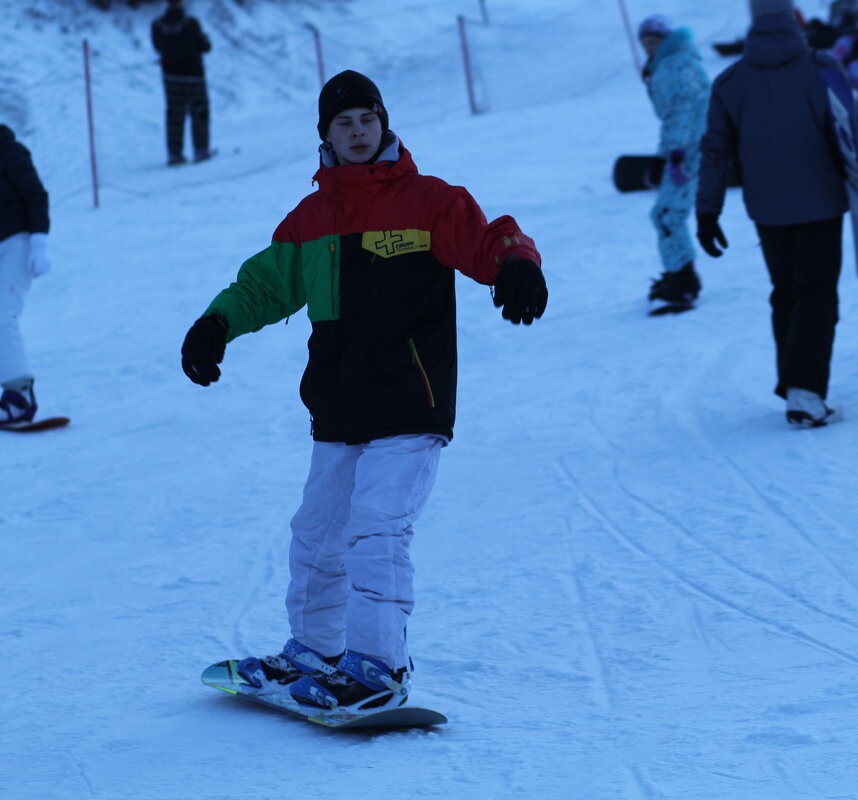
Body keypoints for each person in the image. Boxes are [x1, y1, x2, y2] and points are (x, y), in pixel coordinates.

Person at [180, 70, 548, 714]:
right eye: (343, 123)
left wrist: (517, 261)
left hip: (410, 398)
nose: (356, 132)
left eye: (366, 120)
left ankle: (380, 665)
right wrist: (216, 324)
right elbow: (264, 286)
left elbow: (490, 239)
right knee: (318, 533)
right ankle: (318, 650)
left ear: (384, 125)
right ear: (324, 133)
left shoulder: (431, 201)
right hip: (339, 405)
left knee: (377, 530)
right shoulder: (314, 216)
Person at [696, 0, 850, 427]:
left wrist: (707, 213)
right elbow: (850, 138)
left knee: (786, 293)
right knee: (816, 294)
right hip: (821, 203)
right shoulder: (822, 68)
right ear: (792, 19)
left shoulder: (731, 82)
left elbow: (714, 152)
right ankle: (804, 392)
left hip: (767, 210)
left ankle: (797, 388)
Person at [638, 15, 711, 315]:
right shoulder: (673, 63)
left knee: (668, 214)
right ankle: (679, 272)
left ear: (666, 40)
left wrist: (671, 155)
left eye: (654, 42)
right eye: (645, 43)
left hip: (688, 151)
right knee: (667, 213)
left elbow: (682, 111)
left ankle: (683, 279)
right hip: (689, 147)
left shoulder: (674, 65)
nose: (649, 48)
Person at [0, 125, 51, 430]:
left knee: (2, 315)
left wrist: (39, 242)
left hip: (18, 243)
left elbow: (35, 194)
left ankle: (19, 397)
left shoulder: (8, 150)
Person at [151, 0, 212, 166]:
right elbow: (204, 46)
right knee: (199, 112)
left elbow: (157, 46)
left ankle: (174, 153)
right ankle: (201, 150)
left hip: (170, 77)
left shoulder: (157, 25)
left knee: (174, 115)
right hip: (193, 75)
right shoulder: (191, 23)